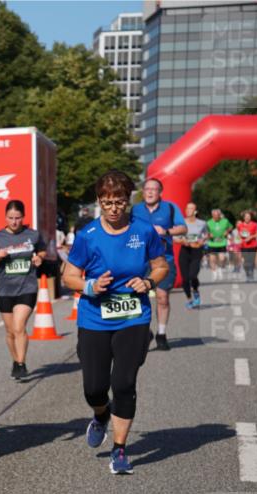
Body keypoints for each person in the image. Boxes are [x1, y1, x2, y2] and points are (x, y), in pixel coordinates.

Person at [62, 170, 168, 475]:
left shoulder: (144, 231)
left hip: (133, 316)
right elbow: (69, 276)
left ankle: (119, 449)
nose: (113, 208)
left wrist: (148, 282)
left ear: (128, 200)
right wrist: (91, 286)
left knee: (123, 383)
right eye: (107, 202)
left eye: (119, 201)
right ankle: (101, 414)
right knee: (94, 388)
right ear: (99, 201)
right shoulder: (88, 235)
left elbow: (160, 266)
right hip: (95, 317)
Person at [0, 200, 46, 380]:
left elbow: (42, 251)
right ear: (5, 217)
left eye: (18, 218)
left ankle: (21, 364)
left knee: (19, 326)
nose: (14, 222)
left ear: (23, 217)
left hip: (27, 287)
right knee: (10, 331)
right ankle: (15, 360)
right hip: (5, 289)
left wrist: (39, 258)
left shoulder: (33, 235)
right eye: (10, 218)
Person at [130, 178, 186, 351]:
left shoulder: (170, 208)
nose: (150, 192)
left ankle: (161, 334)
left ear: (160, 192)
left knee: (162, 297)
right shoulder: (135, 209)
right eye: (147, 189)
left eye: (153, 189)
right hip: (139, 260)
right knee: (138, 297)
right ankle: (145, 331)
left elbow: (183, 228)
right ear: (143, 192)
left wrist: (166, 230)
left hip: (163, 259)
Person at [176, 202, 208, 308]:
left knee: (193, 275)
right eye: (187, 208)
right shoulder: (181, 223)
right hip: (185, 251)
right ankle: (189, 299)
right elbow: (175, 238)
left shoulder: (202, 223)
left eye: (191, 208)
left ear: (195, 211)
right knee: (185, 278)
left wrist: (202, 241)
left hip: (196, 251)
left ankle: (195, 290)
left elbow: (206, 235)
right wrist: (182, 241)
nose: (188, 210)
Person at [205, 208, 232, 281]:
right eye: (215, 215)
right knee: (212, 259)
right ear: (212, 215)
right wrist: (209, 234)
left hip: (222, 243)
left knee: (221, 258)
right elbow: (205, 231)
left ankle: (219, 269)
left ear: (220, 215)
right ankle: (214, 272)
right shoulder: (208, 222)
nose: (216, 217)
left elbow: (230, 227)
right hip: (212, 243)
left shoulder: (225, 221)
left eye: (218, 215)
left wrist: (227, 231)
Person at [236, 210, 257, 282]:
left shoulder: (255, 224)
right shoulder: (240, 225)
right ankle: (247, 274)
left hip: (253, 245)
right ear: (243, 217)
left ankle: (251, 273)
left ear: (251, 217)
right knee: (245, 261)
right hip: (243, 246)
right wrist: (239, 239)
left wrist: (251, 237)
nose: (247, 218)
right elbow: (238, 234)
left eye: (249, 216)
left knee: (251, 260)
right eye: (246, 216)